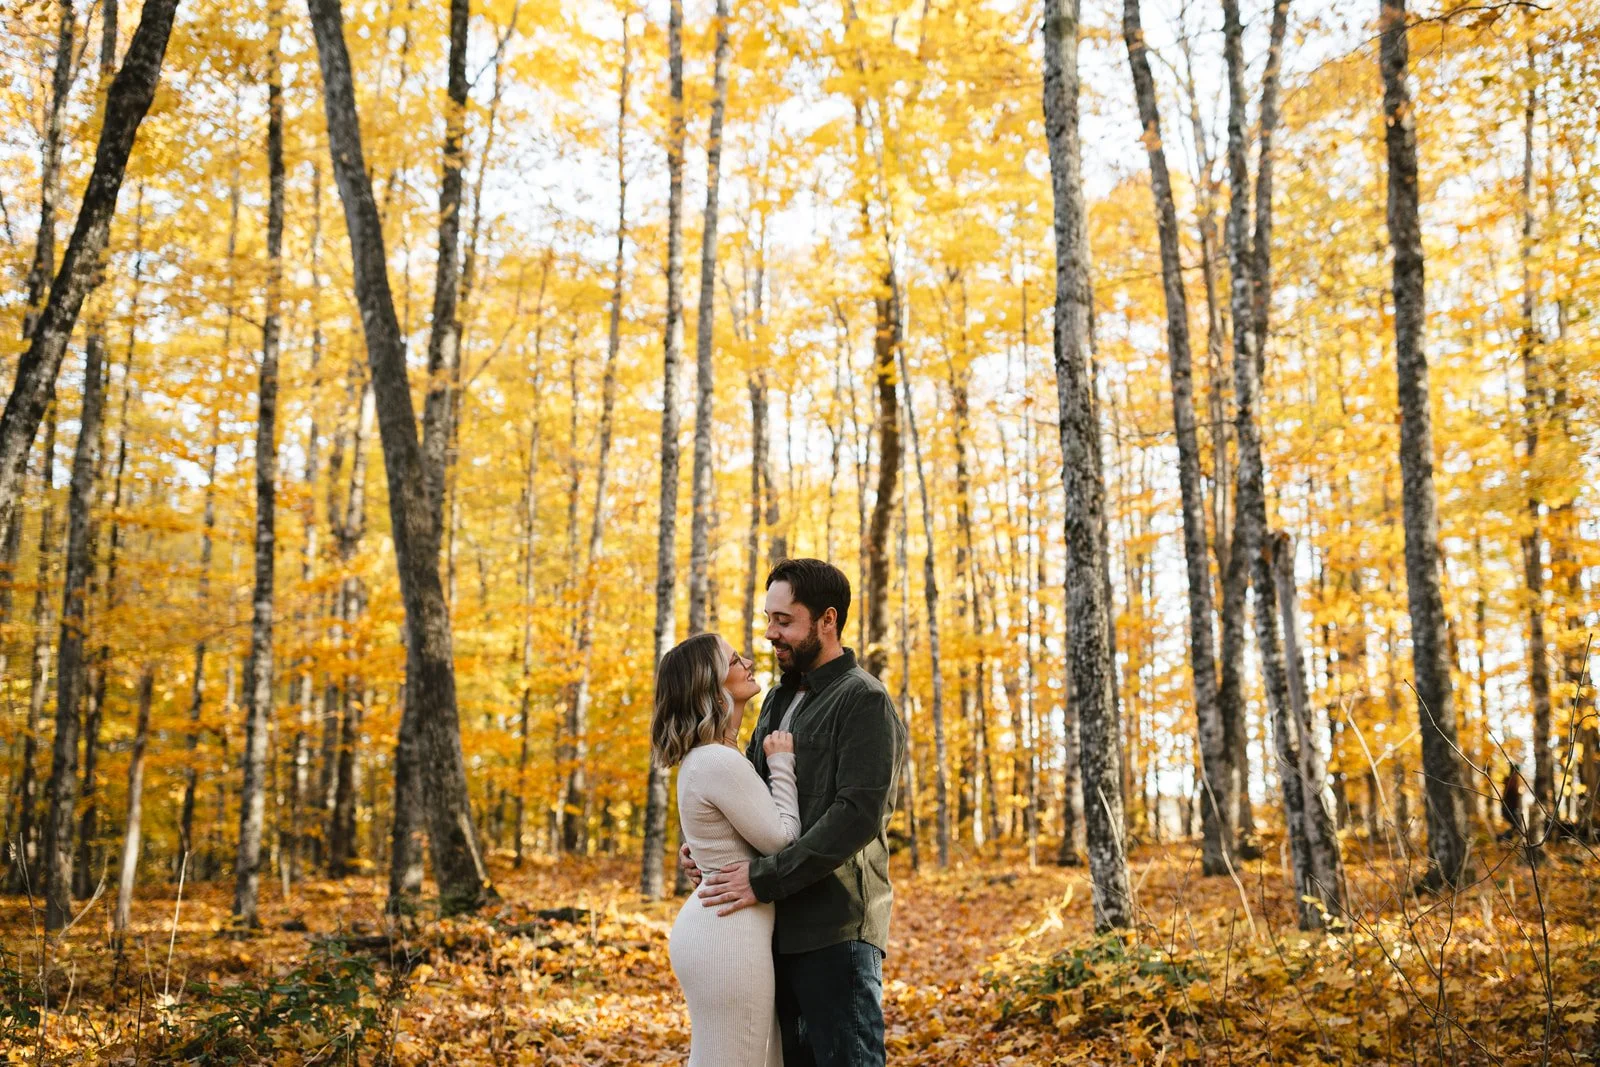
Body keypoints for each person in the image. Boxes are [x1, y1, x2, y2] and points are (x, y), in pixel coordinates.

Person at [684, 558, 908, 1067]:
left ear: (827, 621)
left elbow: (857, 815)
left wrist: (763, 879)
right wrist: (710, 848)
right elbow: (756, 800)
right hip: (770, 930)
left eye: (784, 621)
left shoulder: (863, 700)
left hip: (836, 928)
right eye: (768, 619)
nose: (769, 634)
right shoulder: (777, 699)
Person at [654, 632, 800, 1066]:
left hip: (724, 926)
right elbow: (782, 841)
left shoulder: (713, 756)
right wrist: (782, 765)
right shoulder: (717, 760)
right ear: (712, 685)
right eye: (735, 660)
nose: (748, 663)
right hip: (727, 934)